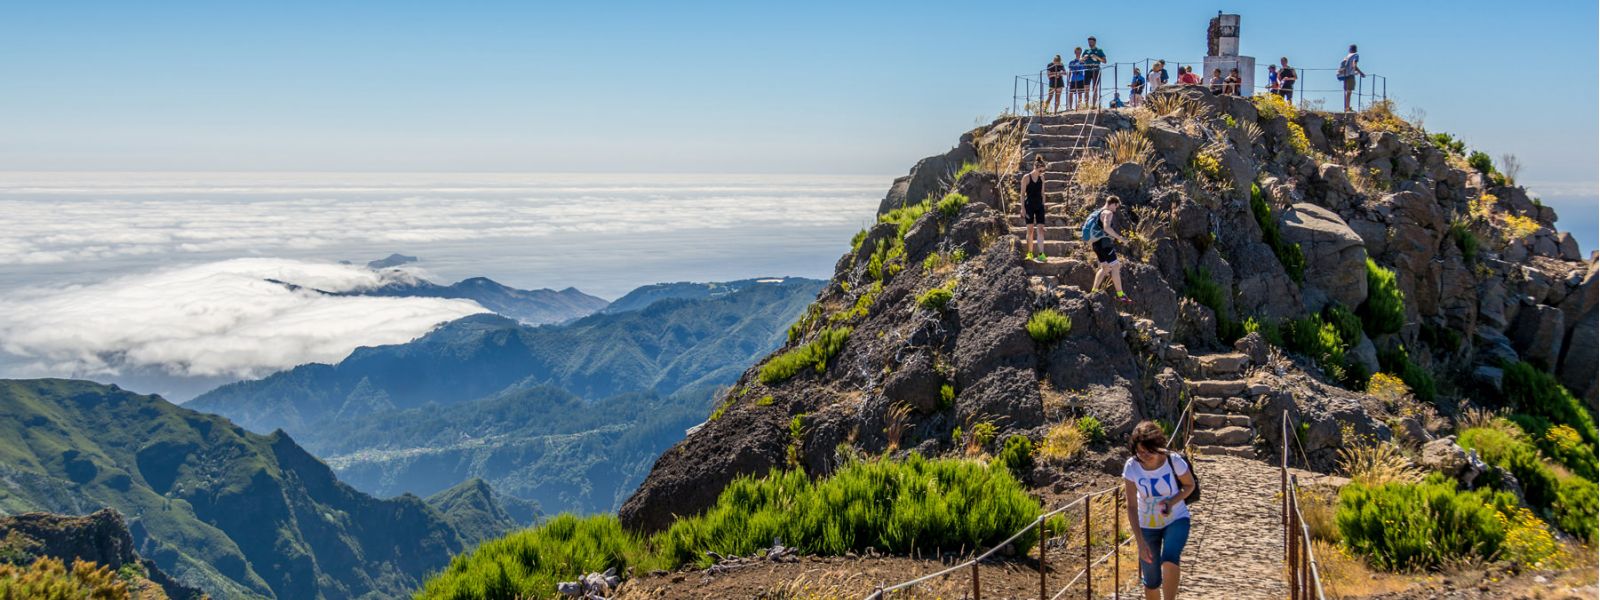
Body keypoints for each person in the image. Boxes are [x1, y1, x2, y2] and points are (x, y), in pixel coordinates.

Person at [1123, 420, 1195, 600]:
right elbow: (1131, 506)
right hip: (1147, 525)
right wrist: (1140, 543)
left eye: (1148, 450)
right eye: (1139, 452)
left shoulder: (1173, 460)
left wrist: (1171, 502)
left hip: (1176, 518)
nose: (1144, 455)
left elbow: (1189, 485)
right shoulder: (1131, 466)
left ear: (1158, 445)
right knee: (1151, 579)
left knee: (1170, 557)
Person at [1085, 196, 1131, 302]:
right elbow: (1106, 228)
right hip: (1104, 243)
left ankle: (1094, 291)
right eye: (1116, 206)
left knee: (1105, 267)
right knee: (1115, 266)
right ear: (1112, 204)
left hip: (1096, 244)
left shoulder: (1096, 212)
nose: (1115, 209)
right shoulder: (1108, 213)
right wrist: (1120, 238)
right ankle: (1121, 294)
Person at [1020, 157, 1048, 262]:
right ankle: (1030, 253)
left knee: (1040, 230)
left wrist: (1043, 206)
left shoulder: (1042, 178)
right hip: (1029, 206)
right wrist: (1022, 208)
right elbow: (1022, 194)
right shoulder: (1026, 178)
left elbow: (1043, 193)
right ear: (1035, 167)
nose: (1042, 172)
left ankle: (1041, 254)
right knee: (1030, 230)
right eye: (1040, 170)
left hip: (1039, 206)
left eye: (1043, 170)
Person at [1338, 44, 1365, 112]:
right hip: (1350, 76)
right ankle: (1347, 108)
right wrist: (1361, 73)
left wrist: (1355, 72)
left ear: (1350, 49)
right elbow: (1354, 65)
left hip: (1344, 75)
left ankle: (1346, 107)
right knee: (1349, 92)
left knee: (1346, 91)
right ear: (1356, 49)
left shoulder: (1347, 56)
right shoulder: (1356, 55)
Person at [1082, 36, 1108, 105]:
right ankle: (1086, 105)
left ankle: (1093, 105)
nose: (1090, 43)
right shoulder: (1086, 50)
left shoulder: (1099, 50)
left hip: (1096, 69)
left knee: (1095, 88)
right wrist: (1084, 58)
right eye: (1089, 42)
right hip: (1087, 69)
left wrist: (1096, 57)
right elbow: (1080, 61)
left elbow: (1105, 61)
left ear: (1094, 42)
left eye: (1091, 42)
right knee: (1086, 88)